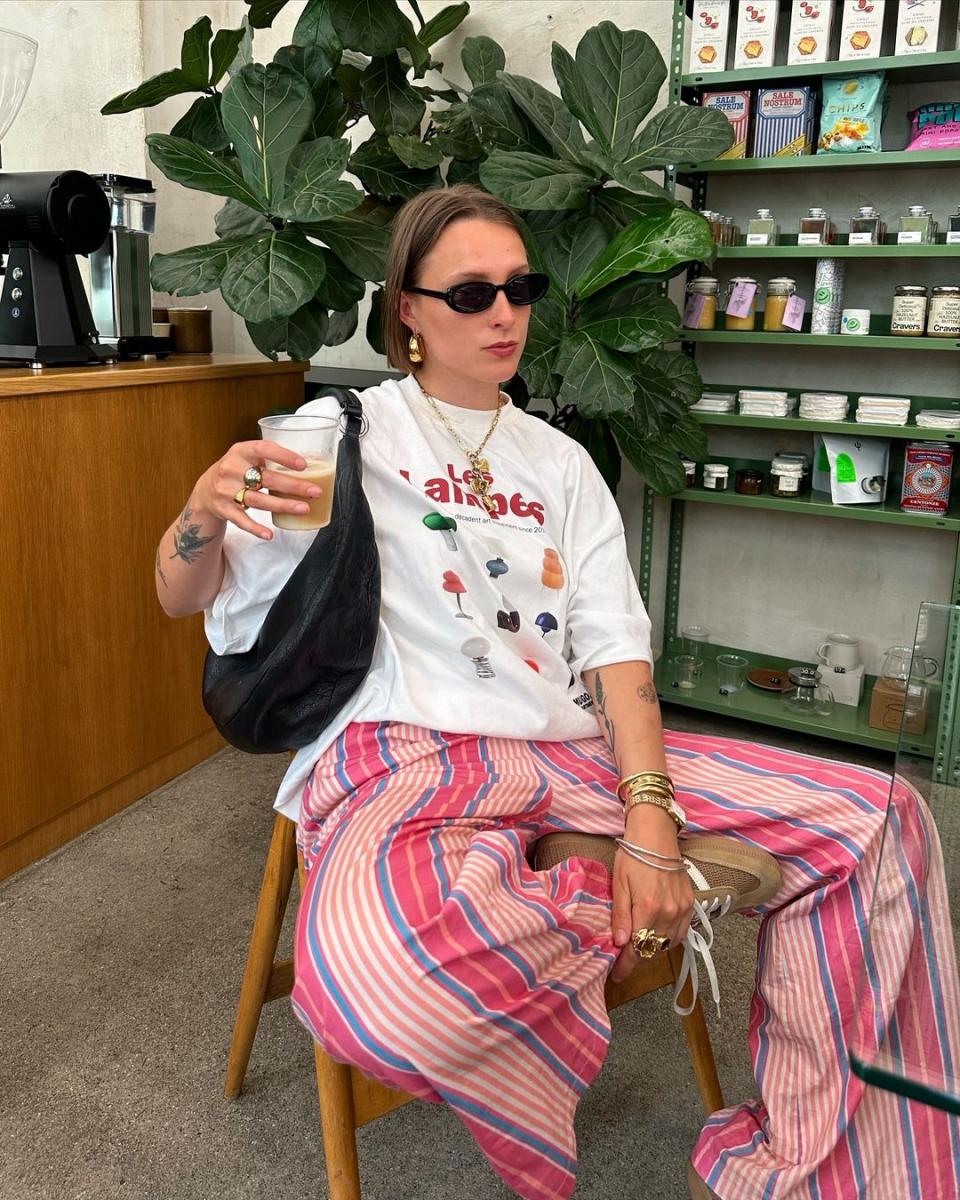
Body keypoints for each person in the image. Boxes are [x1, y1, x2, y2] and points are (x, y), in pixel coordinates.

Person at [156, 185, 960, 1200]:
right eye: (471, 293)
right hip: (405, 755)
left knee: (881, 819)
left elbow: (617, 650)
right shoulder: (339, 435)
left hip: (571, 755)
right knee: (378, 996)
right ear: (407, 310)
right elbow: (186, 597)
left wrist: (650, 814)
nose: (504, 314)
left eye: (521, 288)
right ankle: (575, 881)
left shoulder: (563, 464)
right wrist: (199, 514)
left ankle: (814, 1167)